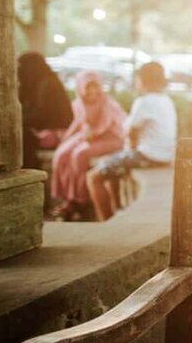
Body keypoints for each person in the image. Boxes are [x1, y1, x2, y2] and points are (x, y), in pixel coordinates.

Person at [86, 61, 177, 221]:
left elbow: (131, 131)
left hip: (148, 156)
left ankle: (105, 222)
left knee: (93, 177)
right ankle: (117, 209)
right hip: (165, 155)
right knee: (113, 164)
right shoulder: (166, 101)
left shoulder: (144, 101)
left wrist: (131, 149)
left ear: (142, 80)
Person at [50, 70, 126, 221]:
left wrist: (90, 136)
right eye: (88, 87)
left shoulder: (107, 103)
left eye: (95, 87)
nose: (92, 91)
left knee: (80, 154)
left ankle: (79, 198)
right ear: (81, 88)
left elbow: (108, 125)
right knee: (61, 154)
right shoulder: (78, 103)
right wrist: (66, 138)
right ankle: (66, 197)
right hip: (91, 136)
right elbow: (78, 122)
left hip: (111, 137)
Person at [17, 52, 73, 170]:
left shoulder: (47, 84)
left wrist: (18, 120)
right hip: (41, 130)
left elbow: (41, 116)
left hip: (54, 133)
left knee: (22, 137)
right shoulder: (36, 83)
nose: (19, 71)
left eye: (21, 67)